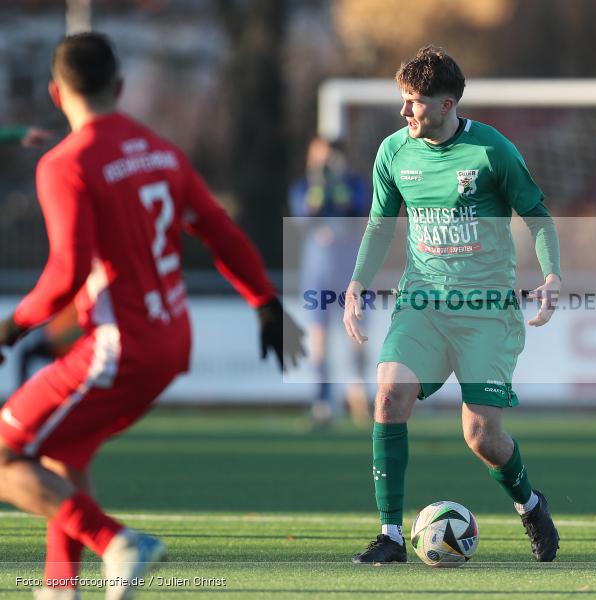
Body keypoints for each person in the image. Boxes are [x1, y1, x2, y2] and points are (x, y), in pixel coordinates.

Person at [0, 33, 304, 600]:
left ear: (55, 93)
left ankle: (118, 541)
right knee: (64, 452)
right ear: (119, 86)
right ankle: (59, 587)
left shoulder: (66, 163)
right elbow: (218, 228)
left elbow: (66, 273)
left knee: (4, 454)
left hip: (119, 346)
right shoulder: (161, 152)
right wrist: (263, 301)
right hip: (172, 339)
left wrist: (12, 326)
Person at [343, 46, 562, 564]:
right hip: (422, 303)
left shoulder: (492, 151)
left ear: (446, 105)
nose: (404, 110)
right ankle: (390, 535)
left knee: (481, 435)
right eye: (403, 98)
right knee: (388, 394)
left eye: (414, 101)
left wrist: (552, 274)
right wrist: (357, 283)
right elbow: (379, 225)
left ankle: (530, 504)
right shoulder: (394, 152)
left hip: (486, 311)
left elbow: (537, 215)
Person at [290, 137, 369, 427]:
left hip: (350, 272)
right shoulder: (304, 187)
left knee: (356, 335)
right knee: (318, 338)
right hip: (318, 273)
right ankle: (322, 401)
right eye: (318, 156)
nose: (324, 162)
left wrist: (337, 188)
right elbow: (303, 216)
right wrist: (318, 189)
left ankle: (359, 397)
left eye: (329, 157)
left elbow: (357, 209)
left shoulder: (354, 184)